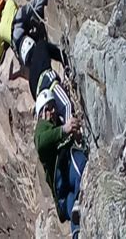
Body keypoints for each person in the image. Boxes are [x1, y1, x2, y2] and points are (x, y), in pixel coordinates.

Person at [34, 89, 87, 238]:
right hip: (64, 175)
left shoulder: (57, 126)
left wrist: (75, 136)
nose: (53, 111)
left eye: (53, 107)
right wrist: (64, 130)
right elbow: (41, 143)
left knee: (75, 211)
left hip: (63, 196)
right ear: (42, 112)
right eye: (49, 108)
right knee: (78, 159)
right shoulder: (42, 128)